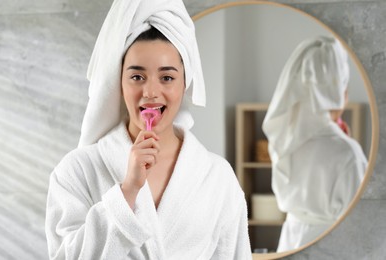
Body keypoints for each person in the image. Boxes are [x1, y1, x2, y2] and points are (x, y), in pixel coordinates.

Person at [45, 0, 252, 259]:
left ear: (184, 84)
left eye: (167, 77)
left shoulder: (217, 177)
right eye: (137, 77)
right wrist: (127, 191)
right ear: (118, 82)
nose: (151, 92)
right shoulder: (77, 170)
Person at [262, 36, 367, 252]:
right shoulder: (347, 153)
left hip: (290, 243)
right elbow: (363, 221)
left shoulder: (284, 140)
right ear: (338, 91)